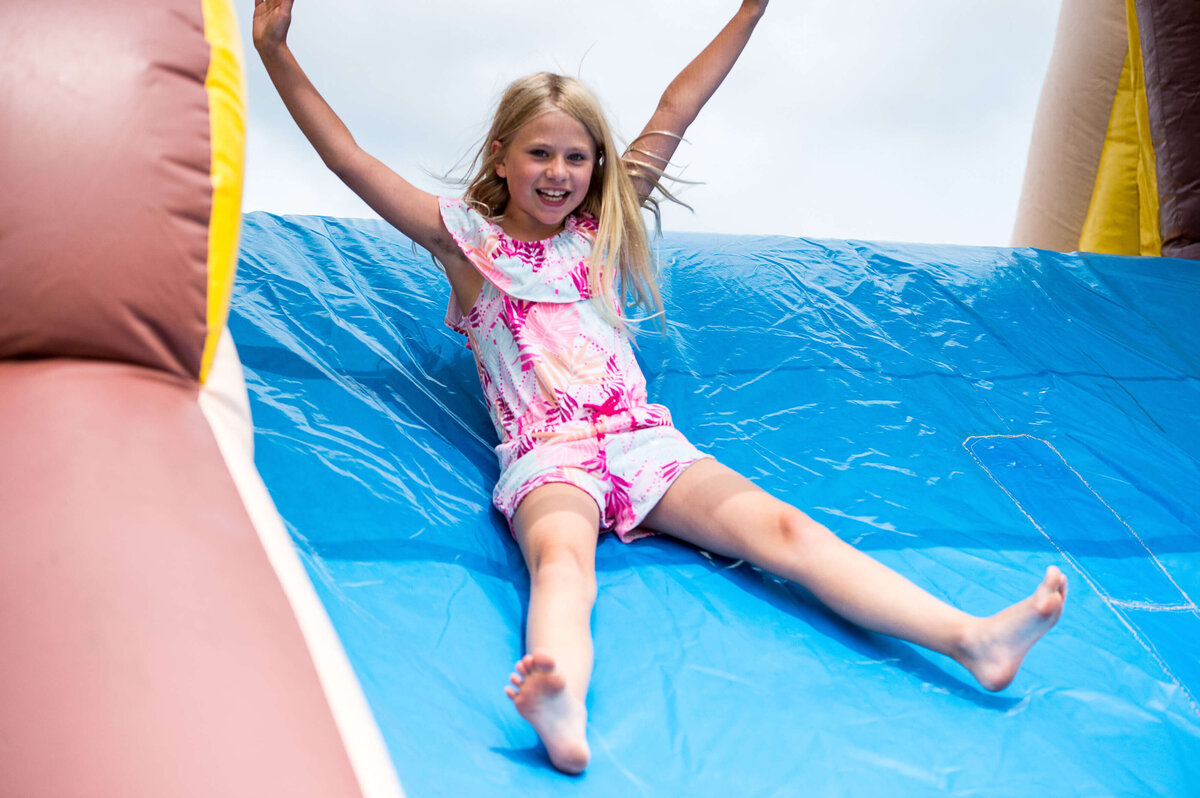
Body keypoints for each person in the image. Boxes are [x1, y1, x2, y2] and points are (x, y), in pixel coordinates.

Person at [253, 0, 1068, 776]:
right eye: (539, 152)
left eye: (577, 156)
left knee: (784, 530)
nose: (559, 171)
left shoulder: (603, 231)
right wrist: (276, 54)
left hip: (642, 441)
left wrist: (748, 12)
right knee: (564, 566)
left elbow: (680, 105)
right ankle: (561, 700)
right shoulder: (467, 244)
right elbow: (347, 158)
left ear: (596, 167)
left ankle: (970, 639)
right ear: (502, 157)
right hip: (550, 455)